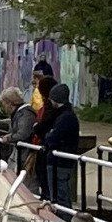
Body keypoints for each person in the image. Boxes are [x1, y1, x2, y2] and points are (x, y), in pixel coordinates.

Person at [38, 80, 82, 208]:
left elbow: (53, 138)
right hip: (60, 161)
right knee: (59, 195)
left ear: (55, 100)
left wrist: (48, 136)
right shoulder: (66, 115)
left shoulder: (64, 117)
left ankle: (64, 220)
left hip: (59, 162)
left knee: (59, 196)